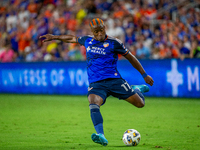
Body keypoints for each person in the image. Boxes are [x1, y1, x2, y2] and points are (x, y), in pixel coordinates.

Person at [39, 18, 154, 146]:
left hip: (114, 80)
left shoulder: (114, 43)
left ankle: (136, 89)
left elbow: (131, 58)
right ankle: (101, 135)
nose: (99, 34)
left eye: (101, 30)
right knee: (93, 103)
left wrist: (144, 74)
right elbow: (72, 38)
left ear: (104, 28)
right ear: (92, 32)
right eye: (96, 32)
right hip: (96, 84)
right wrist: (54, 37)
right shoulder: (88, 40)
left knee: (140, 104)